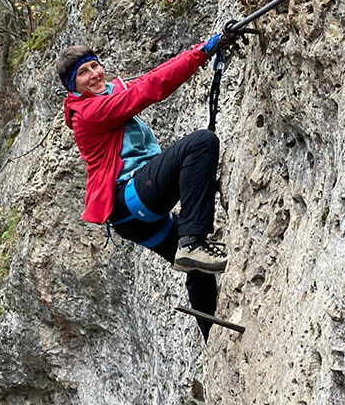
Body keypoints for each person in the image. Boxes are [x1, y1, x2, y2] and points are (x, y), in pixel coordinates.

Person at [58, 33, 236, 339]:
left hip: (131, 218)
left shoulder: (109, 95)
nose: (93, 75)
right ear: (73, 87)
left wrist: (201, 48)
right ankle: (192, 240)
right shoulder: (89, 113)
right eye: (83, 74)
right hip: (130, 196)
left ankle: (213, 339)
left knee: (198, 268)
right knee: (201, 144)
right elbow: (152, 88)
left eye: (95, 66)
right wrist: (202, 53)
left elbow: (150, 77)